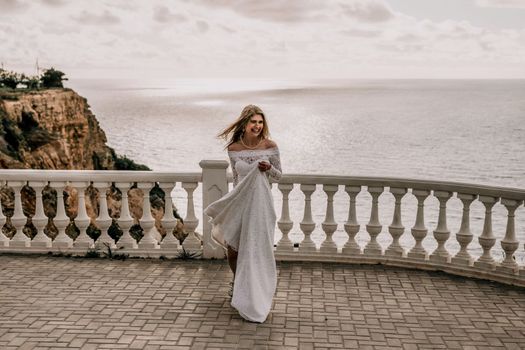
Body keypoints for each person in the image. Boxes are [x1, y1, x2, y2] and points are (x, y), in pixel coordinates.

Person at [204, 104, 282, 323]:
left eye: (260, 122)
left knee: (256, 250)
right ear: (245, 124)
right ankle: (240, 286)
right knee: (233, 251)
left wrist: (269, 169)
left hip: (261, 205)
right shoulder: (234, 148)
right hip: (240, 203)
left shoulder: (271, 146)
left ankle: (257, 294)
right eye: (253, 122)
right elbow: (238, 179)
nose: (257, 126)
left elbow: (279, 176)